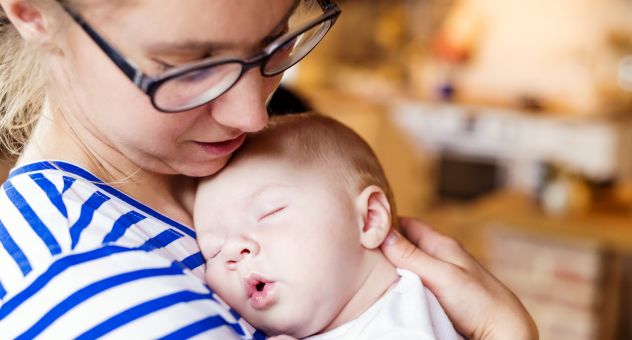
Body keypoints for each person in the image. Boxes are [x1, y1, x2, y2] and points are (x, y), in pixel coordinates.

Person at [0, 0, 537, 339]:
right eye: (192, 67)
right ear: (34, 13)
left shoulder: (244, 164)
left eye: (273, 44)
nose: (253, 115)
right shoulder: (96, 289)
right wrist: (502, 330)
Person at [194, 113, 463, 339]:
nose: (232, 249)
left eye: (269, 213)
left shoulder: (409, 319)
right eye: (213, 250)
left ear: (369, 218)